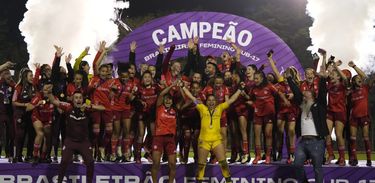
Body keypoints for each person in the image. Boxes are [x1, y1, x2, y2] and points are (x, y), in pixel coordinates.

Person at [182, 81, 243, 183]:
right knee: (201, 165)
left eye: (213, 100)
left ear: (216, 102)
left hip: (216, 141)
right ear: (206, 102)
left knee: (223, 163)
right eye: (209, 100)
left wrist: (240, 90)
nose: (211, 102)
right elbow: (192, 98)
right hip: (203, 141)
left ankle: (228, 181)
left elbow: (231, 100)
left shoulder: (219, 108)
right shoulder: (201, 108)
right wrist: (183, 88)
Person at [47, 90, 105, 183]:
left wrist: (90, 106)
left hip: (83, 142)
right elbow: (54, 101)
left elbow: (103, 108)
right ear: (73, 100)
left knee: (90, 162)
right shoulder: (68, 107)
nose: (78, 100)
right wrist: (49, 92)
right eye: (76, 98)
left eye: (80, 98)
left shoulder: (87, 108)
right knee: (64, 161)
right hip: (70, 141)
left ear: (83, 99)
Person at [287, 65, 329, 183]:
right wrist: (289, 78)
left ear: (313, 96)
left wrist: (323, 79)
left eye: (307, 92)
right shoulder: (302, 105)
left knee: (317, 169)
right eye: (304, 92)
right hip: (302, 143)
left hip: (317, 142)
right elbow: (296, 92)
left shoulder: (319, 105)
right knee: (297, 165)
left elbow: (322, 92)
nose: (304, 93)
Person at [151, 81, 179, 183]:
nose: (168, 101)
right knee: (156, 163)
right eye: (166, 99)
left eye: (170, 100)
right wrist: (171, 85)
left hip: (170, 139)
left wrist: (181, 87)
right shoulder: (159, 108)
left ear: (172, 101)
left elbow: (184, 99)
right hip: (158, 138)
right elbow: (162, 94)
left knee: (172, 164)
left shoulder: (175, 110)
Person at [348, 61, 374, 166]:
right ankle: (354, 159)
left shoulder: (365, 88)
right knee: (353, 138)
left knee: (366, 137)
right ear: (353, 82)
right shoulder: (351, 92)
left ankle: (368, 159)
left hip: (364, 117)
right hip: (354, 117)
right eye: (357, 79)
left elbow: (365, 77)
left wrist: (354, 66)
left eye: (360, 79)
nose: (360, 79)